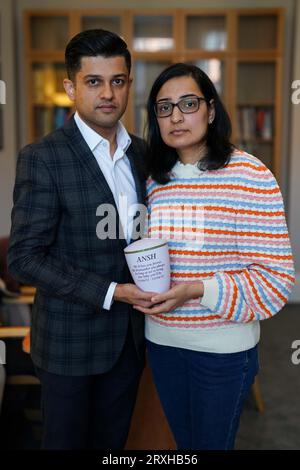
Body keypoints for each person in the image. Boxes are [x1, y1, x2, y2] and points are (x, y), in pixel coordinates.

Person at [134, 63, 295, 450]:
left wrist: (196, 289)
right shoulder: (156, 179)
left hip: (222, 352)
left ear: (210, 109)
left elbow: (276, 281)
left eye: (188, 104)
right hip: (162, 343)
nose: (175, 116)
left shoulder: (250, 175)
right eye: (163, 107)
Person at [7, 29, 154, 450]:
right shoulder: (43, 157)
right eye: (94, 81)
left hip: (130, 342)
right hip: (69, 346)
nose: (108, 93)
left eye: (118, 80)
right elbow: (24, 257)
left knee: (114, 447)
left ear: (129, 83)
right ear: (71, 87)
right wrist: (112, 291)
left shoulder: (144, 154)